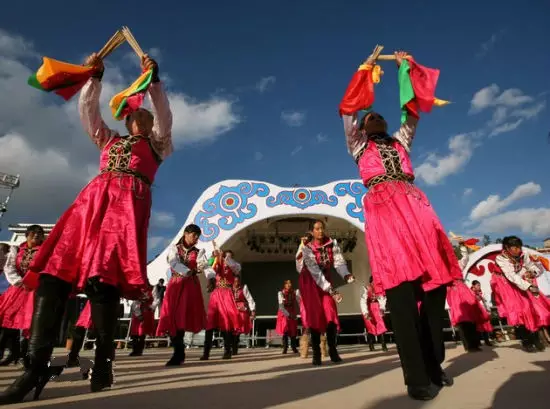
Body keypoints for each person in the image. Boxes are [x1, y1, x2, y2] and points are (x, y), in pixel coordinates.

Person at [0, 53, 172, 404]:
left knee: (102, 284)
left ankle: (105, 363)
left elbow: (165, 114)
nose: (137, 114)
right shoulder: (108, 139)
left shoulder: (158, 144)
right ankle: (35, 367)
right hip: (89, 207)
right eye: (134, 113)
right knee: (51, 276)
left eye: (144, 112)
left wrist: (152, 80)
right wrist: (95, 77)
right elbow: (89, 114)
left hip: (123, 213)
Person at [339, 51, 461, 400]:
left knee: (435, 288)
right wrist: (364, 71)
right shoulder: (358, 146)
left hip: (417, 206)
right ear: (362, 130)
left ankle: (434, 363)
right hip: (384, 210)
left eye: (378, 115)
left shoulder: (400, 142)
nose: (373, 116)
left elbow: (411, 112)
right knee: (403, 293)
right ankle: (417, 377)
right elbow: (348, 110)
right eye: (369, 117)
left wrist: (404, 70)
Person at [297, 220, 354, 366]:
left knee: (330, 313)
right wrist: (332, 290)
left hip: (326, 279)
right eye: (317, 229)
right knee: (315, 317)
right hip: (310, 282)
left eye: (322, 228)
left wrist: (346, 274)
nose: (320, 231)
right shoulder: (307, 248)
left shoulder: (331, 243)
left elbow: (339, 262)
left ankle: (333, 350)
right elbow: (315, 273)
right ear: (311, 232)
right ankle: (316, 353)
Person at [156, 224, 210, 366]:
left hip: (190, 287)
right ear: (186, 233)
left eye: (198, 236)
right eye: (194, 235)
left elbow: (204, 265)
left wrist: (209, 275)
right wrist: (188, 271)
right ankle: (179, 352)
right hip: (175, 285)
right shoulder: (174, 248)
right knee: (171, 317)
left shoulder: (198, 251)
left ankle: (178, 354)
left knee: (181, 317)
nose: (196, 239)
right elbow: (173, 262)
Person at [0, 226, 44, 368]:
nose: (36, 235)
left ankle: (26, 357)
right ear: (27, 235)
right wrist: (19, 281)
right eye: (33, 232)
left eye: (39, 233)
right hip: (18, 288)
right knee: (8, 319)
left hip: (35, 290)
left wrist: (34, 281)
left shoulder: (45, 250)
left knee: (30, 324)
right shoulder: (17, 250)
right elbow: (9, 267)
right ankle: (12, 352)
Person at [494, 236, 547, 352]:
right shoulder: (501, 258)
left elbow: (531, 267)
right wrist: (528, 286)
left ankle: (537, 339)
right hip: (508, 286)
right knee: (520, 313)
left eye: (519, 247)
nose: (518, 249)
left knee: (533, 310)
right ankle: (527, 341)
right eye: (515, 247)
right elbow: (511, 276)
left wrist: (533, 272)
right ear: (507, 248)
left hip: (523, 283)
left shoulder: (524, 254)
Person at [446, 243, 490, 352]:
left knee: (472, 317)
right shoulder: (443, 269)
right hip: (454, 292)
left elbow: (465, 258)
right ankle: (469, 345)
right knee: (462, 319)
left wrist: (462, 246)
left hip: (464, 290)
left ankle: (475, 343)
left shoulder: (458, 264)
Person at [201, 250, 241, 360]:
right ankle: (206, 352)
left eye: (229, 256)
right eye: (225, 255)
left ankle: (227, 351)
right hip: (216, 293)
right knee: (210, 324)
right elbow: (208, 270)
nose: (226, 257)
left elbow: (235, 268)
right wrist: (213, 257)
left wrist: (226, 259)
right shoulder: (216, 263)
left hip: (227, 294)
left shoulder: (235, 265)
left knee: (226, 322)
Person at [360, 276, 388, 352]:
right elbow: (363, 300)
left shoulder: (380, 288)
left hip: (377, 307)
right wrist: (365, 312)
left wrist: (382, 309)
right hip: (369, 308)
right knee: (370, 327)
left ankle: (383, 345)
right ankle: (371, 345)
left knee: (381, 325)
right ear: (371, 282)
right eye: (374, 281)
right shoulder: (367, 288)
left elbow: (382, 299)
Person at [232, 276, 256, 355]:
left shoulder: (244, 288)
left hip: (241, 310)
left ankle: (234, 348)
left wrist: (252, 311)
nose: (237, 283)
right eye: (235, 281)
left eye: (238, 281)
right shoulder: (229, 288)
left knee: (237, 330)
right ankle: (230, 347)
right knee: (230, 330)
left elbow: (250, 299)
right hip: (231, 309)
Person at [128, 287, 154, 357]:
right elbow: (135, 303)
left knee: (140, 334)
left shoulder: (149, 291)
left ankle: (138, 350)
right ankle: (137, 350)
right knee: (137, 334)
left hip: (143, 314)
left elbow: (152, 302)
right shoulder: (143, 290)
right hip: (140, 314)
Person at [276, 280, 300, 354]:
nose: (289, 285)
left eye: (290, 283)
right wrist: (288, 314)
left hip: (292, 311)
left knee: (293, 330)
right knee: (285, 329)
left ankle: (294, 347)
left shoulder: (295, 292)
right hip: (283, 312)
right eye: (287, 283)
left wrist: (300, 311)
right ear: (285, 285)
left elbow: (299, 301)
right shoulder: (281, 293)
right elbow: (281, 306)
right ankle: (285, 347)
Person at [470, 280, 493, 346]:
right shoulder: (471, 292)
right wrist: (478, 297)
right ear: (473, 286)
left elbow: (483, 301)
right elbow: (473, 300)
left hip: (482, 310)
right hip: (476, 310)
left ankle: (487, 340)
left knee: (485, 324)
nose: (479, 287)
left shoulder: (479, 292)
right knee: (477, 326)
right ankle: (478, 341)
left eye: (479, 285)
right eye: (478, 285)